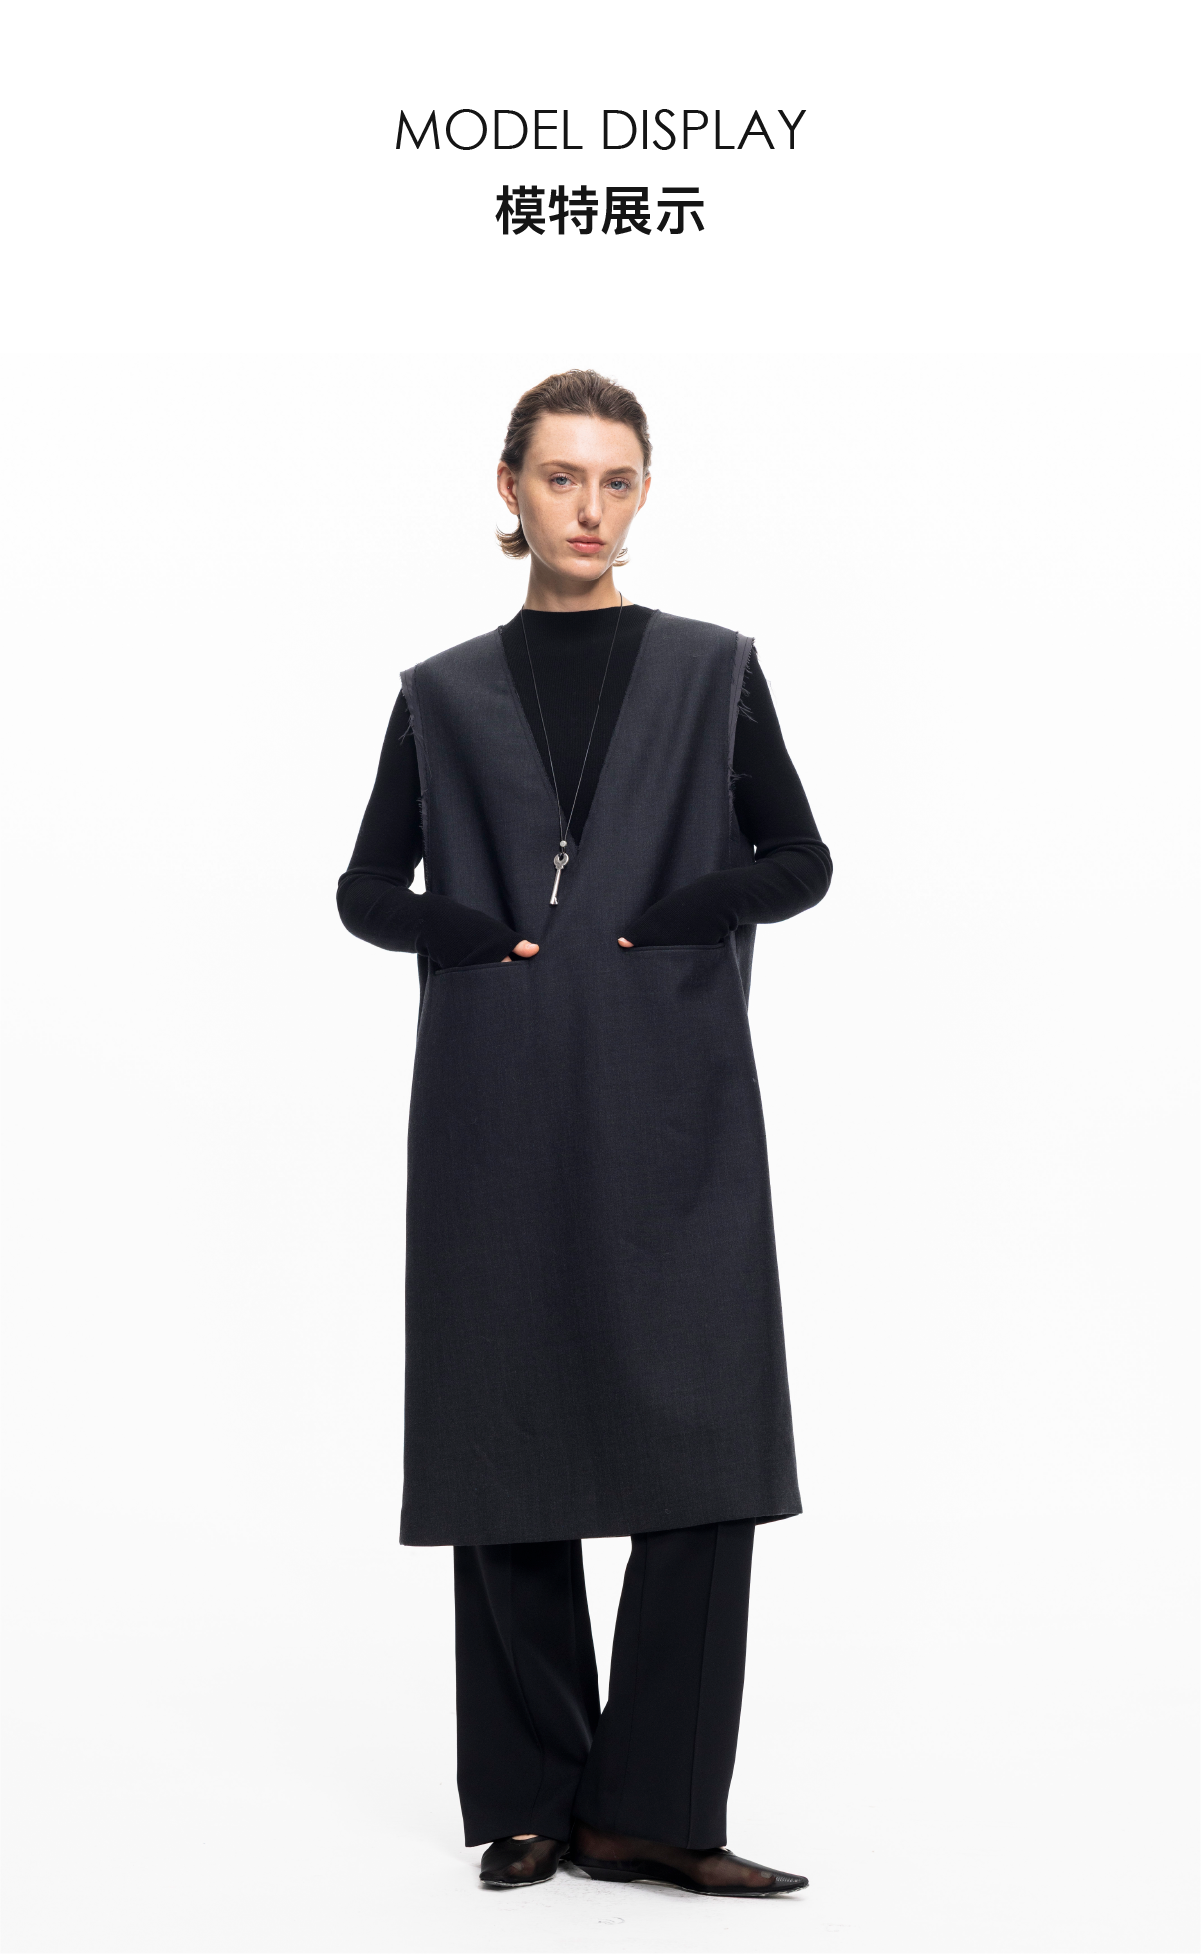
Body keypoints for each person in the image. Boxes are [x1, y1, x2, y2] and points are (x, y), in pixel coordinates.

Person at [337, 369, 832, 1897]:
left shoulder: (712, 670)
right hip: (493, 1094)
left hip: (678, 1090)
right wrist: (472, 935)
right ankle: (534, 1798)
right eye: (563, 477)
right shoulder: (439, 694)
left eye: (617, 480)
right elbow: (365, 889)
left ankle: (654, 1809)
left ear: (643, 492)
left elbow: (801, 857)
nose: (590, 507)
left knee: (707, 1432)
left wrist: (685, 914)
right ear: (511, 489)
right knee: (504, 1429)